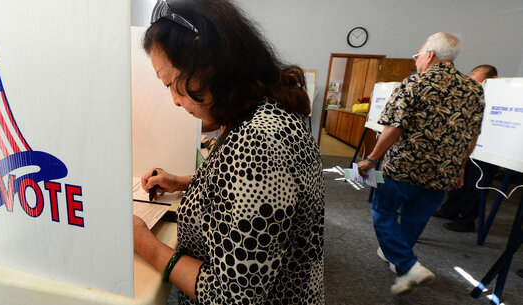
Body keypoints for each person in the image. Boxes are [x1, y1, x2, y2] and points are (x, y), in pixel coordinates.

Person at [133, 0, 326, 304]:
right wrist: (184, 181)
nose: (174, 100)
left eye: (172, 83)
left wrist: (145, 243)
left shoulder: (260, 142)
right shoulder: (263, 116)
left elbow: (232, 296)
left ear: (207, 60)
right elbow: (245, 192)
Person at [357, 32, 485, 294]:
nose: (416, 61)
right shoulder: (473, 89)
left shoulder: (415, 83)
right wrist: (460, 166)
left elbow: (394, 128)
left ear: (429, 55)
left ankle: (408, 265)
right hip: (443, 173)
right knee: (415, 219)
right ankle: (402, 264)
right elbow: (472, 135)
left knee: (383, 213)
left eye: (418, 56)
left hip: (405, 168)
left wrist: (371, 158)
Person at [433, 65, 499, 233]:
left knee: (475, 184)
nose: (470, 78)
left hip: (488, 147)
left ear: (492, 79)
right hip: (468, 145)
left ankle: (468, 220)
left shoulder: (499, 96)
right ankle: (450, 210)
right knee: (460, 180)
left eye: (474, 74)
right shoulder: (472, 94)